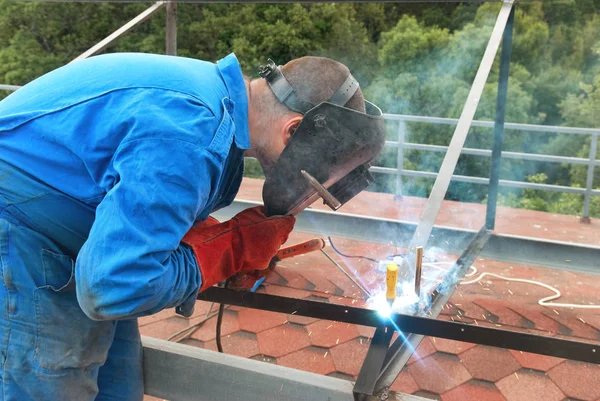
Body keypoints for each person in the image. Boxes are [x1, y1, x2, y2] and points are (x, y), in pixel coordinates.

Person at [0, 52, 368, 400]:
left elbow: (144, 199)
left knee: (120, 386)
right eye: (314, 178)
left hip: (74, 236)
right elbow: (113, 286)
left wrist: (210, 240)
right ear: (293, 130)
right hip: (22, 236)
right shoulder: (191, 130)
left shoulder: (212, 100)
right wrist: (227, 249)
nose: (307, 190)